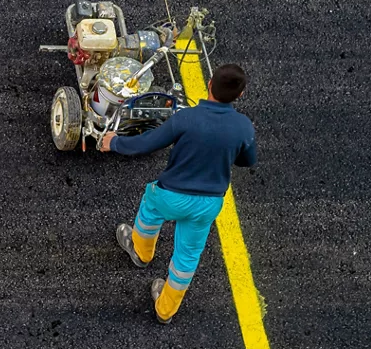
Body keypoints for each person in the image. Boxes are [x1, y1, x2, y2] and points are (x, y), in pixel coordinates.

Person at [99, 63, 257, 324]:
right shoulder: (243, 127)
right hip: (208, 204)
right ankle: (165, 309)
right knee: (188, 255)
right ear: (240, 95)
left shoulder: (186, 118)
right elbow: (247, 161)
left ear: (209, 84)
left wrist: (114, 142)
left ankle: (141, 252)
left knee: (150, 210)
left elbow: (148, 143)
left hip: (170, 195)